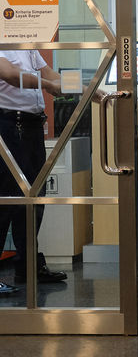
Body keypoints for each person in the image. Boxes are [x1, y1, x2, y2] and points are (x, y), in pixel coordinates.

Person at [0, 50, 68, 295]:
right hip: (8, 125)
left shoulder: (27, 44)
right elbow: (9, 74)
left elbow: (49, 73)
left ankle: (28, 266)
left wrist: (87, 88)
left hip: (31, 125)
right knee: (6, 199)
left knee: (33, 198)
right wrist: (49, 85)